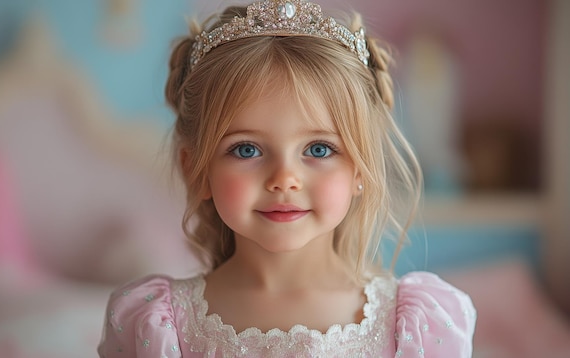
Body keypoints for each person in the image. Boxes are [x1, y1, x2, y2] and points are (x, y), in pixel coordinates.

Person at [97, 0, 476, 356]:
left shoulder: (417, 324)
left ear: (361, 168)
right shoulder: (154, 324)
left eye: (319, 149)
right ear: (195, 170)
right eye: (247, 149)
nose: (284, 179)